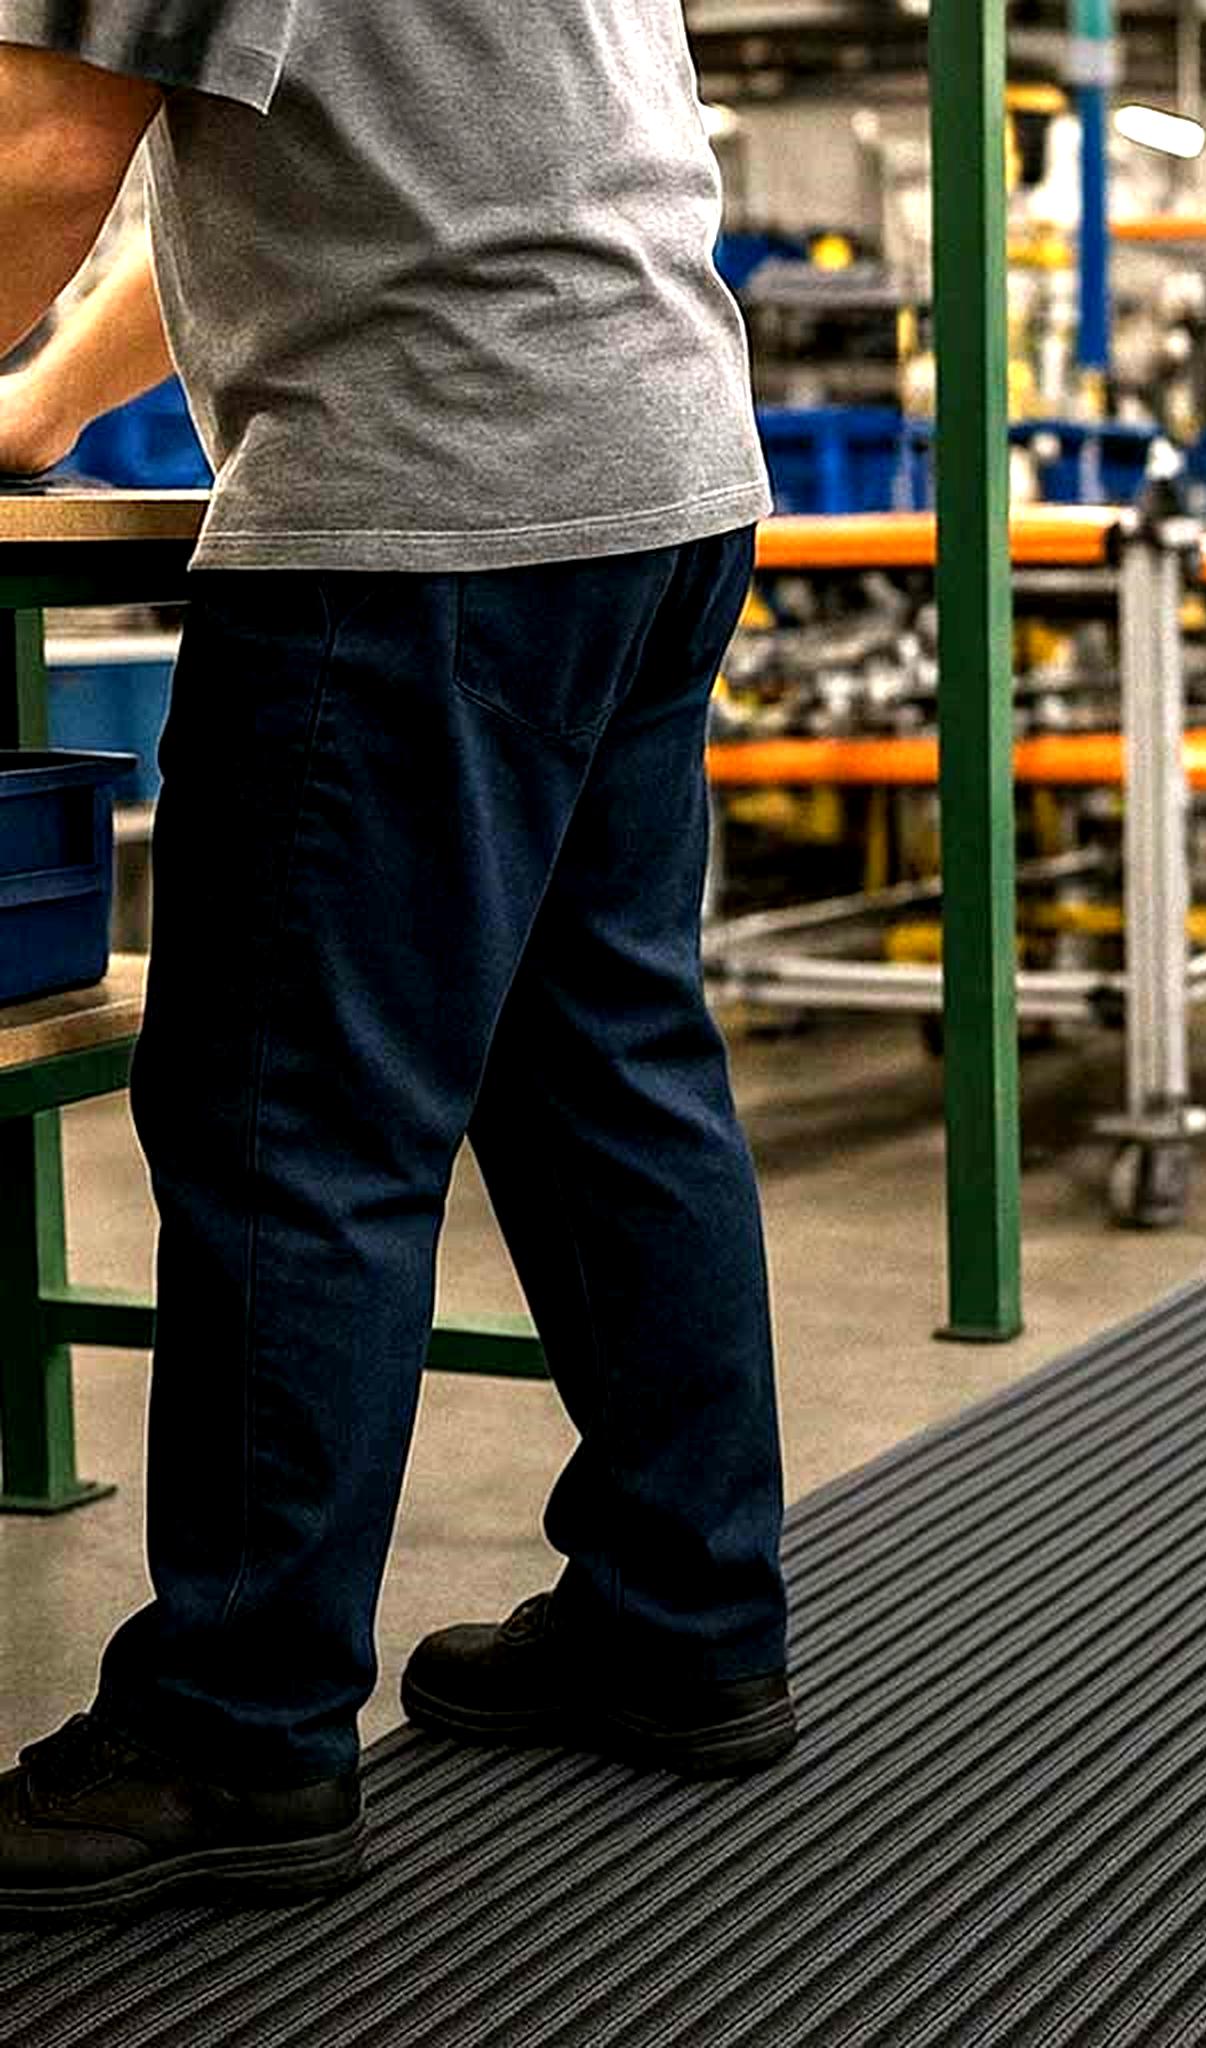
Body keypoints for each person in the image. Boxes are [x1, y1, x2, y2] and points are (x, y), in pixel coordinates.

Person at [0, 3, 796, 1921]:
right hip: (643, 462)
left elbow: (48, 151)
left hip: (427, 502)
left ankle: (238, 1725)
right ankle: (679, 1609)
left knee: (295, 1125)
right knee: (600, 1057)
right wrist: (36, 411)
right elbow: (249, 139)